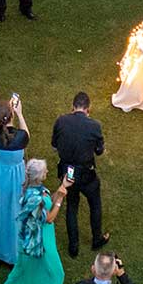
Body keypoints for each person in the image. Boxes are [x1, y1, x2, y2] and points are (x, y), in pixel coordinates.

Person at [0, 158, 70, 284]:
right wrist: (60, 200)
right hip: (40, 240)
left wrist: (61, 189)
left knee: (24, 265)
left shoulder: (34, 189)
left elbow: (47, 204)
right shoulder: (35, 197)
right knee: (57, 273)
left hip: (29, 238)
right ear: (39, 176)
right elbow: (49, 218)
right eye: (45, 171)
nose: (48, 173)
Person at [52, 92, 108, 257]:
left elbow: (54, 146)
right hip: (86, 174)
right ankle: (96, 239)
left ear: (73, 107)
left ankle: (73, 247)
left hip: (67, 173)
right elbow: (99, 151)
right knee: (95, 204)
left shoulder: (61, 121)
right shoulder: (94, 126)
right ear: (88, 109)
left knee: (72, 206)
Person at [0, 95, 30, 268]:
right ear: (11, 114)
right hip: (16, 176)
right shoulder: (20, 136)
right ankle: (13, 253)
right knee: (15, 211)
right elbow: (27, 134)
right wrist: (20, 114)